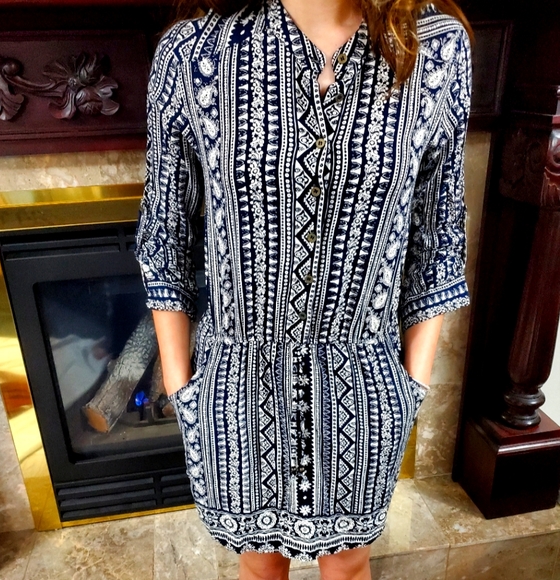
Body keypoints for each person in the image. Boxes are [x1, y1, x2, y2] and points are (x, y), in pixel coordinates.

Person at [135, 0, 472, 577]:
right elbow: (165, 234)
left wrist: (410, 388)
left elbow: (439, 233)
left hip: (365, 389)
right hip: (234, 389)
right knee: (259, 567)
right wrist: (181, 387)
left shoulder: (433, 49)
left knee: (349, 565)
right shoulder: (194, 54)